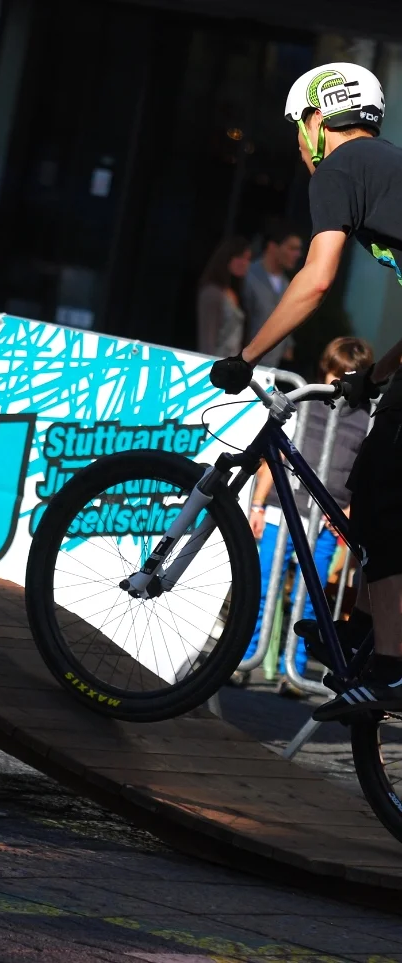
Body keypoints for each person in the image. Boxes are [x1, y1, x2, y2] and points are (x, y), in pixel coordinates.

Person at [210, 61, 402, 720]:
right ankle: (367, 636)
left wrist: (245, 357)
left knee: (379, 487)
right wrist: (375, 376)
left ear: (321, 118)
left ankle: (391, 666)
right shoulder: (386, 168)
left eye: (299, 125)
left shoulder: (342, 169)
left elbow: (315, 280)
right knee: (375, 481)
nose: (298, 141)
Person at [233, 337, 372, 697]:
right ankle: (242, 659)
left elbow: (365, 476)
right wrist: (257, 506)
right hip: (282, 510)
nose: (336, 382)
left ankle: (292, 671)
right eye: (333, 372)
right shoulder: (305, 405)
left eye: (346, 375)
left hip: (325, 520)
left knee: (311, 600)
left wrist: (349, 510)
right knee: (262, 588)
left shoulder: (366, 419)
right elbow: (273, 460)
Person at [243, 222, 303, 368]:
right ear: (272, 247)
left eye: (298, 249)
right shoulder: (248, 276)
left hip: (272, 368)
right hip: (245, 364)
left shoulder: (288, 285)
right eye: (292, 248)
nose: (297, 254)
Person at [196, 237, 252, 357]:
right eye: (240, 257)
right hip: (217, 361)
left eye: (248, 259)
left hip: (232, 362)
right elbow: (207, 340)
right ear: (227, 258)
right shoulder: (212, 293)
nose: (245, 263)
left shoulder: (237, 293)